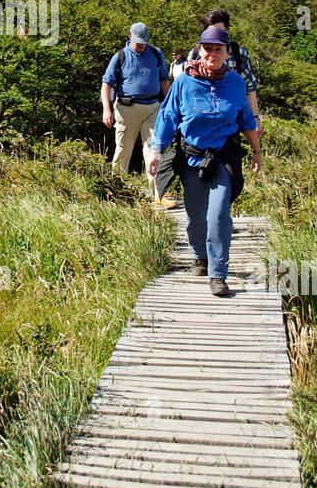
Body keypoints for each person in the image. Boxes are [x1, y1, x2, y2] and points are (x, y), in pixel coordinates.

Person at [147, 26, 260, 296]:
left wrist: (256, 150)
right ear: (200, 50)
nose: (212, 53)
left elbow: (246, 119)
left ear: (226, 53)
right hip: (190, 157)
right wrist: (156, 150)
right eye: (207, 48)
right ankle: (200, 256)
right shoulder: (185, 82)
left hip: (223, 157)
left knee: (219, 213)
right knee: (195, 214)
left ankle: (218, 273)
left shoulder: (235, 83)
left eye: (217, 49)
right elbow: (167, 116)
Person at [101, 23, 170, 187]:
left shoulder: (156, 53)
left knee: (155, 148)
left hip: (153, 107)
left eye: (143, 41)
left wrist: (171, 107)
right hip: (127, 108)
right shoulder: (120, 56)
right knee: (123, 149)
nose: (141, 45)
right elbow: (107, 84)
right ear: (129, 36)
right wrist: (106, 110)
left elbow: (164, 81)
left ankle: (159, 192)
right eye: (138, 41)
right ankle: (117, 188)